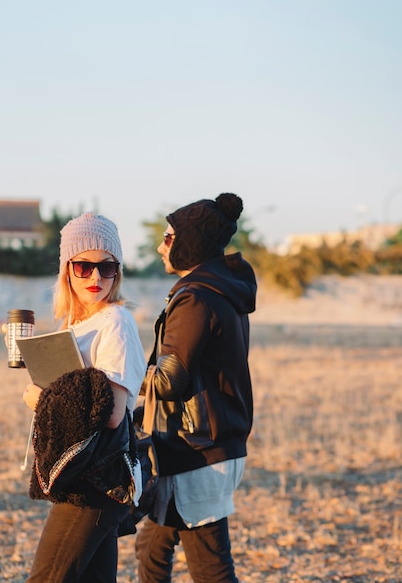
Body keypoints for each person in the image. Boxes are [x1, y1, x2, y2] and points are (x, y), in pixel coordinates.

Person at [134, 193, 257, 583]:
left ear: (191, 243)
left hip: (197, 451)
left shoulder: (196, 298)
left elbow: (169, 380)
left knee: (211, 569)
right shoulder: (222, 291)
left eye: (168, 237)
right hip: (202, 445)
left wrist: (118, 373)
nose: (160, 246)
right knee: (151, 547)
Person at [19, 212, 146, 583]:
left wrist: (43, 401)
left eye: (106, 267)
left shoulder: (116, 322)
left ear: (117, 272)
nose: (95, 277)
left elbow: (112, 413)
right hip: (78, 471)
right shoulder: (74, 326)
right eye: (84, 266)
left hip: (98, 479)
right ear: (67, 269)